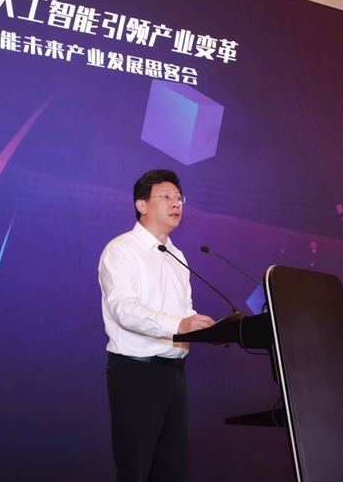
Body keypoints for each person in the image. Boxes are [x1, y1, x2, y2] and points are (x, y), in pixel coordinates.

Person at [98, 169, 215, 482]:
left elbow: (183, 311)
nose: (176, 204)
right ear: (142, 205)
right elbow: (124, 310)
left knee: (170, 471)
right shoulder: (121, 250)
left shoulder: (177, 256)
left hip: (175, 375)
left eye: (179, 198)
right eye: (166, 197)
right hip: (137, 373)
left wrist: (207, 332)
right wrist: (181, 323)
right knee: (136, 471)